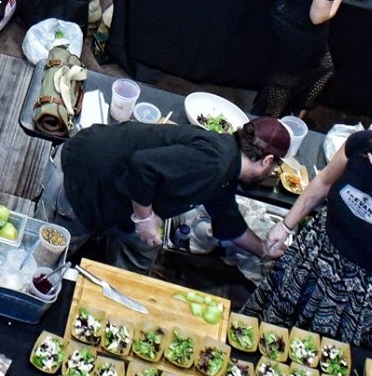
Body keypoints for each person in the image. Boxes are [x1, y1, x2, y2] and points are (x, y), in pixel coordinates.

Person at [41, 117, 288, 273]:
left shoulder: (227, 166)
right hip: (86, 177)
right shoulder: (215, 163)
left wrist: (264, 250)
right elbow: (142, 166)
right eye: (274, 167)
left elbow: (228, 218)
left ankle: (111, 301)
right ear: (267, 161)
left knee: (141, 251)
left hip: (120, 197)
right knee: (48, 254)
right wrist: (144, 219)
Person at [244, 129, 372, 347]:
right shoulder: (361, 143)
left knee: (320, 353)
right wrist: (285, 226)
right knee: (269, 331)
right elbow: (323, 182)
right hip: (314, 253)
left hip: (357, 287)